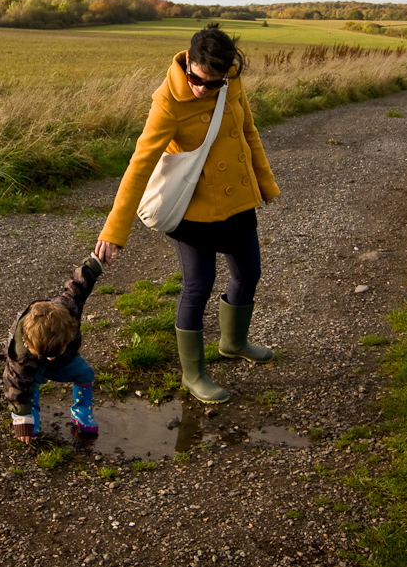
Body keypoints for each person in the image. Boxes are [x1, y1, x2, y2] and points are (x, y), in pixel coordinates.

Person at [95, 23, 279, 404]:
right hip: (193, 212)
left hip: (237, 203)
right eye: (197, 78)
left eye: (213, 83)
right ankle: (193, 374)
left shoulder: (232, 82)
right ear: (188, 61)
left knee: (249, 273)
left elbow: (249, 133)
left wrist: (265, 183)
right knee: (199, 285)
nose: (202, 88)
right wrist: (115, 230)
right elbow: (139, 165)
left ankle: (234, 342)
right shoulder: (168, 102)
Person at [3, 253, 104, 443]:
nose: (51, 358)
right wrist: (22, 419)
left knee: (85, 374)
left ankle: (81, 411)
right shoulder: (20, 356)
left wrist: (97, 261)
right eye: (47, 355)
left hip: (67, 359)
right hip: (33, 367)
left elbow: (79, 284)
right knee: (28, 385)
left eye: (54, 353)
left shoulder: (69, 306)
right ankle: (32, 418)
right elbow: (15, 385)